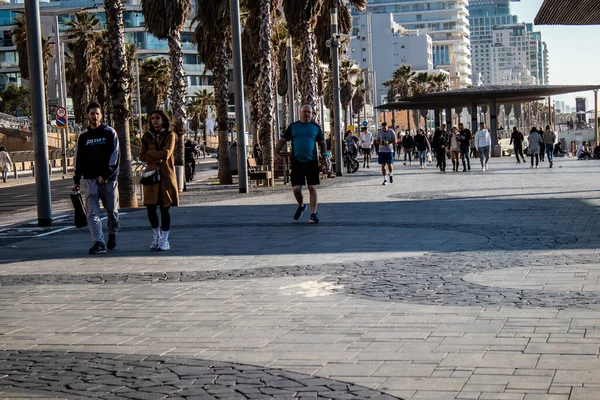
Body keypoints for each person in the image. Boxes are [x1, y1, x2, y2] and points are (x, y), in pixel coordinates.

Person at [72, 102, 120, 255]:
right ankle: (98, 242)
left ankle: (112, 232)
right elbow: (78, 158)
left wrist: (106, 175)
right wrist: (76, 180)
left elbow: (115, 155)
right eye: (92, 113)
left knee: (112, 210)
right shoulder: (83, 136)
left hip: (108, 180)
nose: (95, 116)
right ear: (87, 115)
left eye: (97, 113)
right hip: (90, 180)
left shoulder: (109, 132)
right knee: (92, 212)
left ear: (101, 115)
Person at [275, 104, 327, 224]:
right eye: (304, 112)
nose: (306, 114)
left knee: (312, 187)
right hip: (297, 161)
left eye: (309, 112)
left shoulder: (315, 127)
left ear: (312, 114)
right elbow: (283, 140)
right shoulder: (293, 127)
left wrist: (324, 154)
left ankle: (313, 214)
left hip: (312, 161)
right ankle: (301, 205)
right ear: (300, 113)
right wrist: (276, 153)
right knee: (296, 188)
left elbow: (322, 142)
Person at [139, 109, 179, 251]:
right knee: (150, 208)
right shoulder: (146, 137)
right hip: (150, 175)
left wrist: (151, 153)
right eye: (152, 118)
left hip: (165, 175)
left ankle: (165, 239)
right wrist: (156, 155)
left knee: (164, 208)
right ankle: (156, 237)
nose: (154, 120)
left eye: (157, 118)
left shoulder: (170, 135)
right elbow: (142, 156)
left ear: (163, 120)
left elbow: (167, 153)